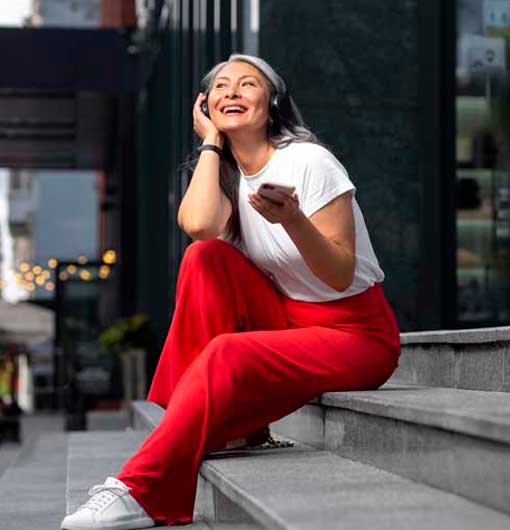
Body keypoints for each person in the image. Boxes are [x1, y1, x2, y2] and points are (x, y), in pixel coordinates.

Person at [61, 53, 400, 529]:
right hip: (291, 317)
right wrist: (211, 144)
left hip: (356, 334)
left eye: (247, 84)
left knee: (227, 354)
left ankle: (137, 489)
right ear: (205, 104)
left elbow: (340, 274)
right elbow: (198, 227)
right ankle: (226, 429)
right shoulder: (228, 175)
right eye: (221, 87)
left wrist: (294, 221)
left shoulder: (308, 161)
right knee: (205, 257)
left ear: (273, 103)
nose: (232, 92)